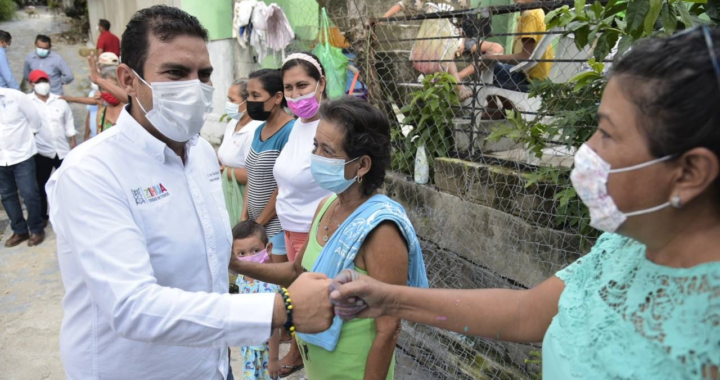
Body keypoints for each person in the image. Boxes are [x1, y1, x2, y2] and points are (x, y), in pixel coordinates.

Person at [330, 27, 720, 380]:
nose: (587, 151)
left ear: (689, 173)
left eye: (607, 134)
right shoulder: (624, 247)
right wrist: (388, 297)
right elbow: (525, 311)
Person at [44, 6, 333, 379]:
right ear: (128, 80)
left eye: (205, 74)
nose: (196, 87)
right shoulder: (91, 174)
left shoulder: (198, 153)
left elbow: (206, 258)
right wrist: (282, 310)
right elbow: (132, 306)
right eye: (176, 73)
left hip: (210, 365)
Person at [231, 97, 429, 380]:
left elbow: (388, 330)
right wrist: (237, 265)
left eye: (327, 150)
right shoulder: (325, 207)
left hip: (352, 370)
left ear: (361, 165)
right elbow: (297, 272)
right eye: (315, 147)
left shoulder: (380, 230)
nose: (316, 157)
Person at [272, 52, 333, 377]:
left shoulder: (331, 128)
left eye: (302, 85)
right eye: (289, 88)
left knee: (307, 297)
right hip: (289, 227)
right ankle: (300, 348)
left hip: (314, 231)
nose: (295, 96)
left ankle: (298, 352)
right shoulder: (297, 126)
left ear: (321, 83)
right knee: (293, 294)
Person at [241, 69, 295, 264]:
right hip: (257, 228)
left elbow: (282, 187)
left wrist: (258, 226)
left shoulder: (290, 132)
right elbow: (252, 177)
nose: (250, 101)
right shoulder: (258, 130)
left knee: (275, 288)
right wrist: (245, 218)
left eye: (256, 95)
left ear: (277, 97)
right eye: (248, 95)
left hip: (275, 230)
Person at [232, 220, 281, 380]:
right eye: (242, 254)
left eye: (255, 251)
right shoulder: (241, 280)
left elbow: (273, 324)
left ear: (268, 249)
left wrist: (273, 359)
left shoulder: (269, 286)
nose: (249, 257)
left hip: (265, 352)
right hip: (249, 348)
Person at [26, 69, 76, 224]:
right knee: (41, 185)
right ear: (31, 84)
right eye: (38, 82)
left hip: (62, 150)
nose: (42, 85)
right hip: (42, 151)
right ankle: (43, 216)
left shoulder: (59, 101)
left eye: (44, 81)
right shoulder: (27, 102)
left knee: (68, 183)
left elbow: (68, 121)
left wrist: (73, 142)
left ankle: (70, 213)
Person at [0, 87, 45, 247]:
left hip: (22, 156)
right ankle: (20, 230)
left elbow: (35, 122)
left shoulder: (16, 97)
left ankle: (36, 229)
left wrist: (24, 143)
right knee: (7, 196)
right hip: (0, 160)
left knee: (30, 194)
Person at [217, 78, 263, 226]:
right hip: (228, 193)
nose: (228, 104)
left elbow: (254, 175)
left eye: (232, 100)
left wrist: (225, 170)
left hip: (243, 198)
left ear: (247, 101)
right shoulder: (232, 123)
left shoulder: (256, 130)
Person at [95, 65, 125, 133]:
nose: (108, 92)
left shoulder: (131, 111)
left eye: (112, 88)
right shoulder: (101, 114)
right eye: (104, 89)